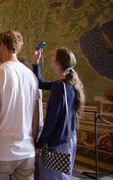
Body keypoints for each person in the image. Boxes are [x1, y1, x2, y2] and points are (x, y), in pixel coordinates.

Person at [0, 29, 39, 180]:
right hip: (27, 151)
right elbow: (36, 116)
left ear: (2, 45)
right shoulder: (32, 76)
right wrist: (34, 144)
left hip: (3, 152)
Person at [32, 47, 85, 179]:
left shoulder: (59, 86)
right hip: (69, 140)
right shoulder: (69, 83)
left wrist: (38, 144)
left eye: (53, 56)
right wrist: (35, 63)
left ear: (58, 63)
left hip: (57, 144)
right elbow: (41, 83)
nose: (51, 58)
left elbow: (51, 121)